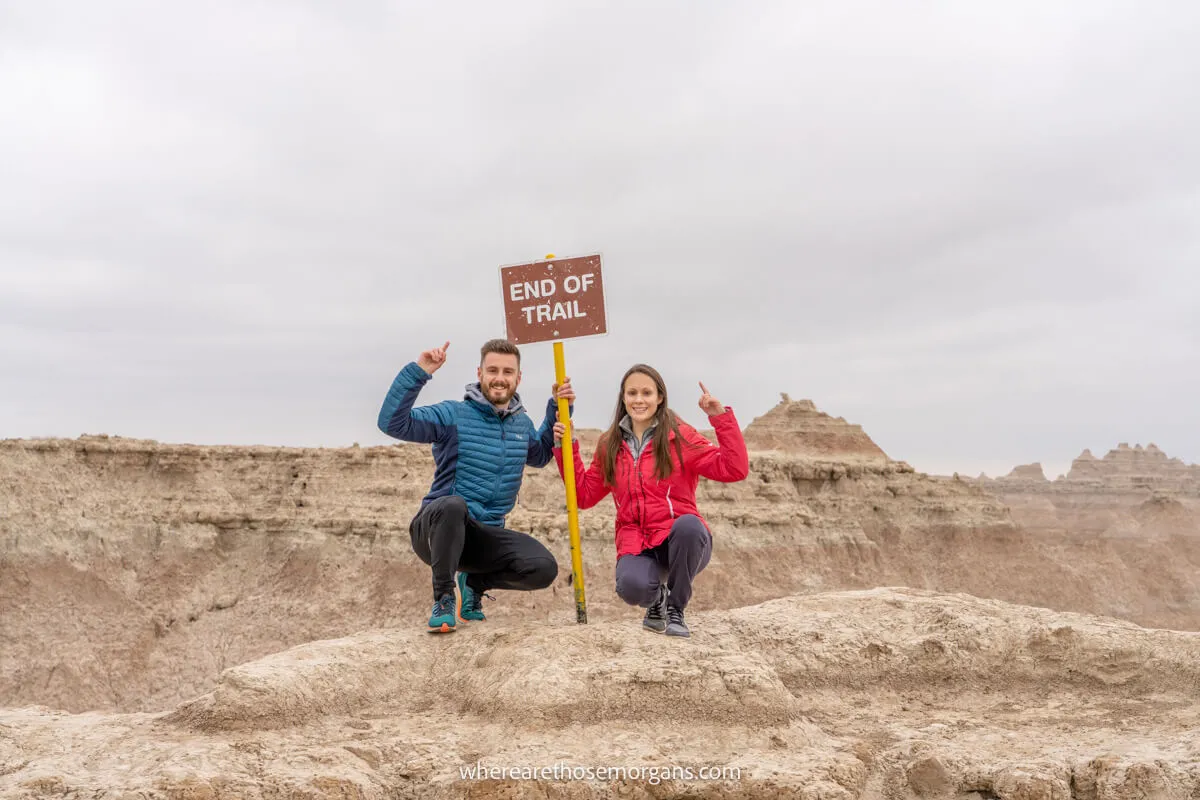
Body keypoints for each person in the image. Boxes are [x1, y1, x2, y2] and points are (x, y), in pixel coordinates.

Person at [378, 338, 573, 633]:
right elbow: (392, 423)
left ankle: (473, 583)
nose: (499, 378)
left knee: (543, 567)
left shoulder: (521, 424)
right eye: (492, 370)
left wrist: (557, 409)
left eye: (508, 372)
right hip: (435, 532)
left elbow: (540, 454)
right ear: (479, 373)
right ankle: (444, 597)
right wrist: (420, 371)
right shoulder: (452, 415)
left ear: (518, 379)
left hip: (484, 538)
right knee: (455, 506)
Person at [553, 364, 748, 637]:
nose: (639, 400)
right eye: (632, 393)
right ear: (623, 398)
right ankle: (656, 599)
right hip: (637, 542)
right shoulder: (609, 443)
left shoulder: (680, 436)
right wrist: (567, 448)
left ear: (660, 397)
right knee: (632, 587)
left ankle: (675, 609)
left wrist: (719, 418)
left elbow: (734, 469)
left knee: (689, 525)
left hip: (682, 543)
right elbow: (583, 496)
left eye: (647, 392)